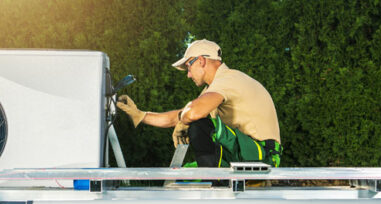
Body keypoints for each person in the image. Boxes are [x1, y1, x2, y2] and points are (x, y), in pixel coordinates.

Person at [116, 39, 282, 168]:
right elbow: (179, 116)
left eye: (189, 67)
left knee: (200, 124)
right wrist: (139, 114)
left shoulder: (229, 79)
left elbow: (193, 114)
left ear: (201, 60)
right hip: (246, 152)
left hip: (263, 155)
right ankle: (212, 179)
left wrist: (186, 119)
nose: (188, 75)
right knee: (185, 176)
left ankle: (215, 181)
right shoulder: (215, 88)